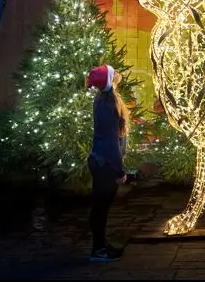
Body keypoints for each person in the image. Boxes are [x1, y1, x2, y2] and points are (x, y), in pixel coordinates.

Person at [86, 64, 129, 262]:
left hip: (104, 162)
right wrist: (119, 170)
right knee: (100, 209)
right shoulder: (106, 104)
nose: (117, 74)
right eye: (113, 73)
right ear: (109, 80)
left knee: (101, 208)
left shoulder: (107, 99)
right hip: (104, 164)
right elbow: (110, 140)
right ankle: (99, 250)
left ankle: (102, 245)